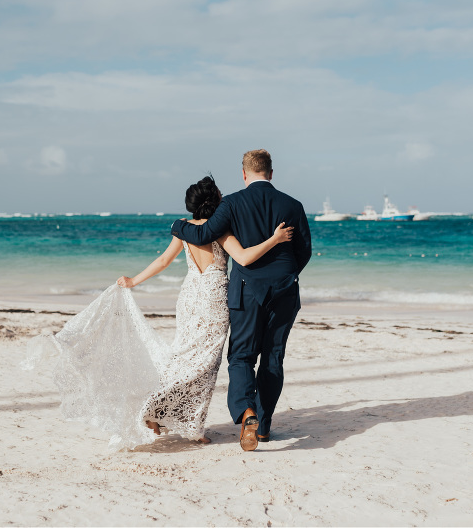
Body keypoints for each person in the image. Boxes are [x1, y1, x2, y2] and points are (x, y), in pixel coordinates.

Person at [23, 175, 293, 450]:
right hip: (213, 297)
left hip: (189, 296)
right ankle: (183, 422)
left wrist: (133, 281)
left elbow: (163, 261)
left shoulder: (184, 229)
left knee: (183, 355)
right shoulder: (221, 231)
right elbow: (245, 257)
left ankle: (162, 415)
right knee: (205, 364)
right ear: (215, 201)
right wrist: (275, 239)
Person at [171, 150, 312, 451]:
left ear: (244, 174)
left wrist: (177, 226)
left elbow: (204, 233)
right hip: (285, 291)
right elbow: (304, 252)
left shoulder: (232, 203)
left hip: (247, 289)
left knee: (241, 356)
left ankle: (248, 413)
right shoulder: (293, 205)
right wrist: (284, 276)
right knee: (273, 357)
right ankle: (264, 427)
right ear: (271, 173)